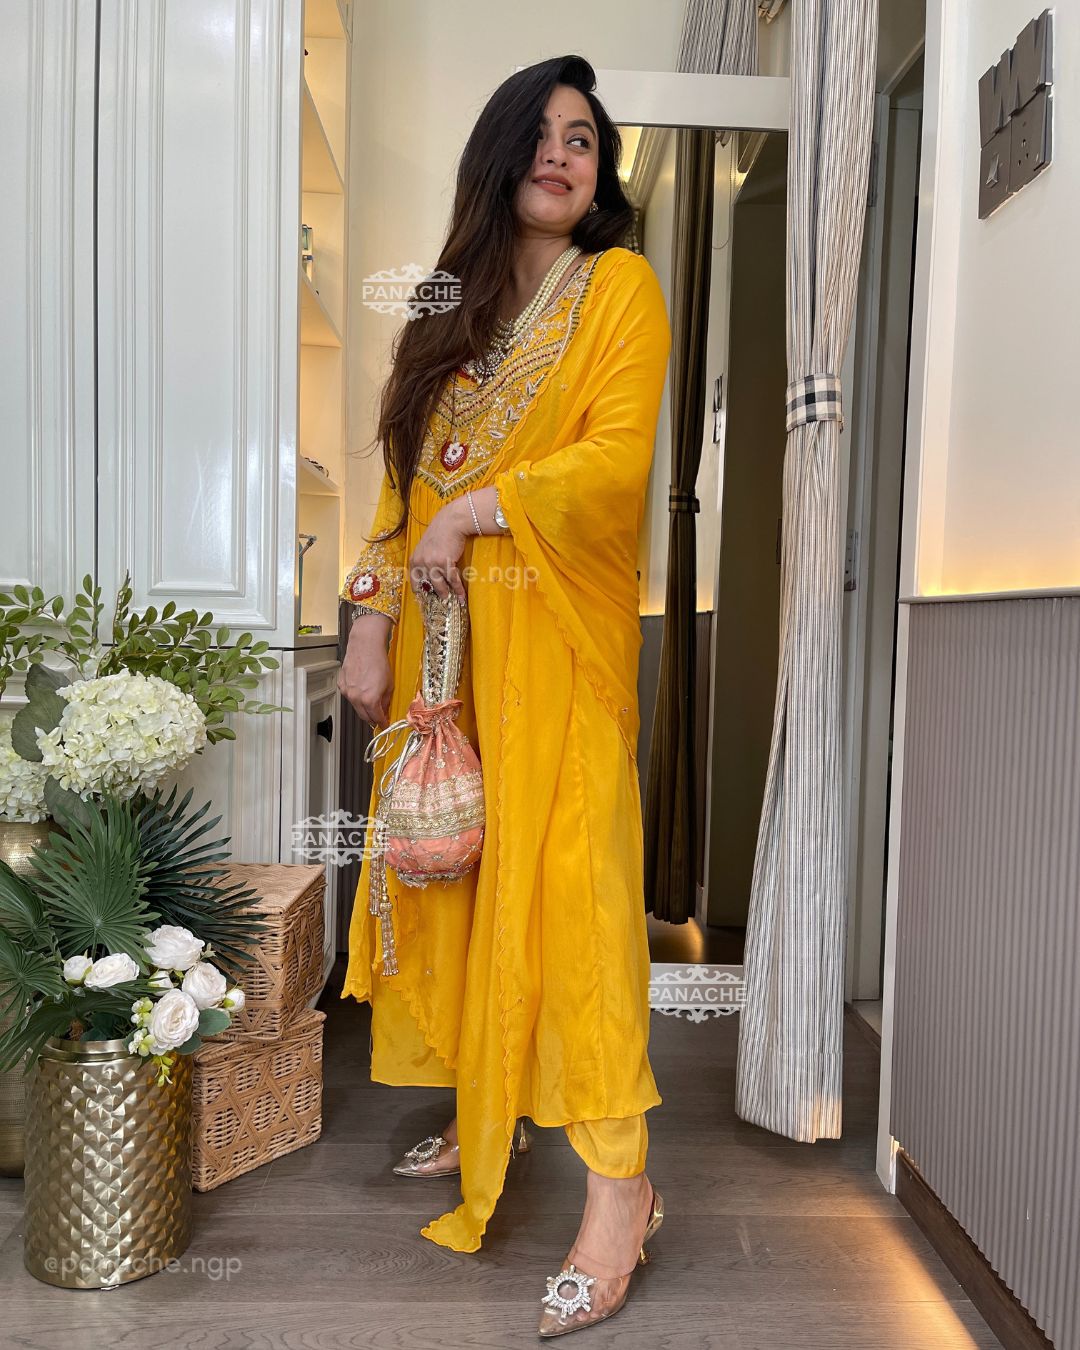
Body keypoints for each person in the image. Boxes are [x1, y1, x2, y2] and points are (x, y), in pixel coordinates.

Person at [337, 53, 670, 1337]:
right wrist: (370, 626)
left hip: (558, 654)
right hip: (446, 660)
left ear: (601, 170)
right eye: (538, 133)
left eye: (582, 138)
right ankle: (490, 1109)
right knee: (461, 886)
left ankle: (622, 1189)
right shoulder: (447, 309)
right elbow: (395, 488)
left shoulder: (619, 289)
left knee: (578, 908)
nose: (560, 154)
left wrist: (479, 508)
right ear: (498, 156)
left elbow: (615, 463)